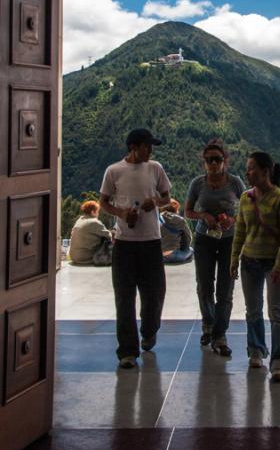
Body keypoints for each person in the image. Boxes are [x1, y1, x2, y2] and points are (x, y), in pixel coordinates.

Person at [100, 128, 171, 369]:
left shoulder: (156, 168)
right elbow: (103, 202)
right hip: (124, 243)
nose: (151, 150)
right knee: (124, 298)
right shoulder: (113, 171)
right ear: (133, 147)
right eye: (147, 146)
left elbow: (167, 198)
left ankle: (149, 330)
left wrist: (156, 203)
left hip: (151, 241)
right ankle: (128, 352)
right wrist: (122, 213)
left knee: (156, 293)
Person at [230, 151, 280, 383]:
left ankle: (279, 362)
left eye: (251, 169)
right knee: (253, 310)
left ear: (265, 172)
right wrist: (234, 259)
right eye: (247, 169)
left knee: (277, 313)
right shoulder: (246, 198)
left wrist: (279, 266)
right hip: (249, 262)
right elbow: (240, 232)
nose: (247, 173)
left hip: (274, 264)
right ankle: (256, 350)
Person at [185, 139, 245, 356]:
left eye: (217, 159)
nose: (213, 163)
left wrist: (233, 219)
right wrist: (204, 216)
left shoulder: (236, 183)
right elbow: (188, 211)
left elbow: (247, 209)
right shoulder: (197, 184)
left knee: (226, 288)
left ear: (225, 161)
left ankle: (219, 334)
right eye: (209, 159)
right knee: (204, 286)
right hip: (204, 239)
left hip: (229, 240)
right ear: (204, 162)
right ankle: (209, 324)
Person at [69, 199, 112, 265]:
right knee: (108, 240)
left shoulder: (80, 220)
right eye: (97, 212)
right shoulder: (94, 222)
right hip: (85, 258)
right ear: (93, 212)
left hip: (74, 256)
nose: (98, 214)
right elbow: (109, 236)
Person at [160, 199, 193, 264]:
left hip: (158, 256)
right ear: (176, 209)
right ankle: (180, 260)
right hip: (173, 255)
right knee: (191, 250)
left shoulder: (157, 218)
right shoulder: (180, 220)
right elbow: (189, 238)